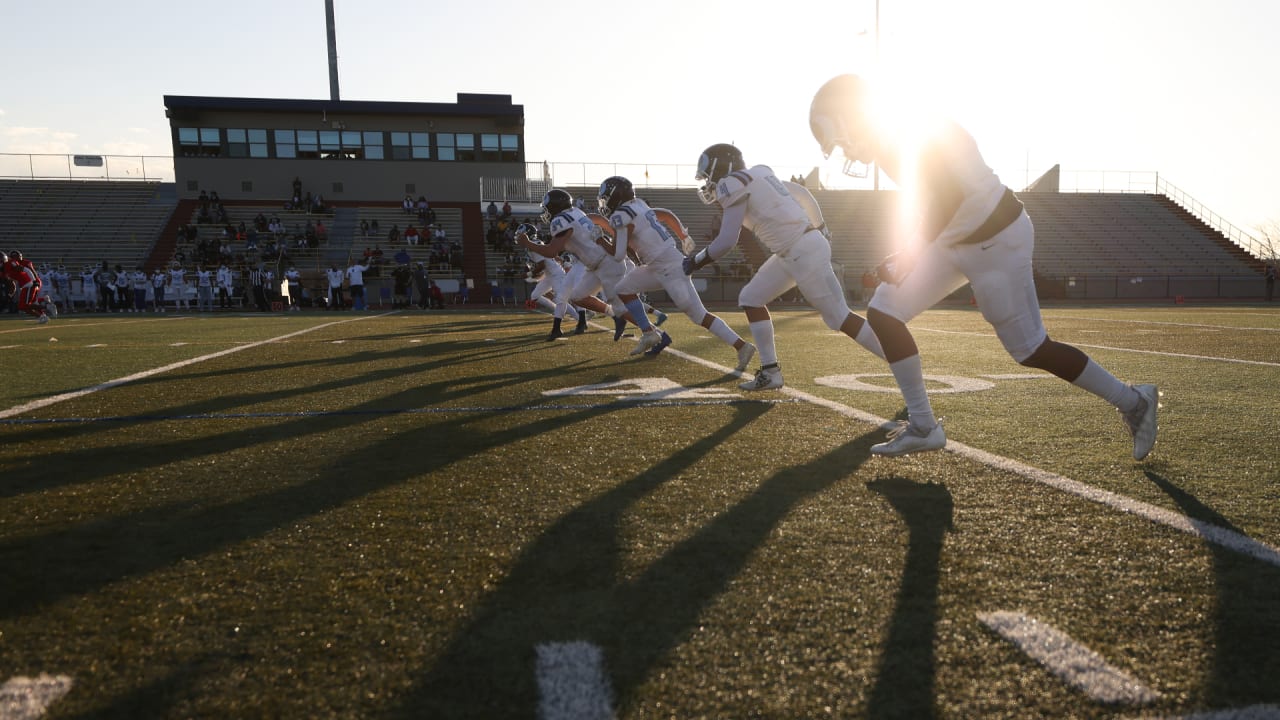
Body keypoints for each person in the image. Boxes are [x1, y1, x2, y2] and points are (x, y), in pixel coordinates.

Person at [807, 73, 1158, 459]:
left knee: (1030, 350)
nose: (848, 153)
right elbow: (934, 203)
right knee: (884, 311)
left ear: (852, 117)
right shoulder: (895, 138)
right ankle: (923, 425)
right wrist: (908, 250)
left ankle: (1132, 400)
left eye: (841, 142)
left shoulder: (911, 129)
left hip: (996, 239)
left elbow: (947, 197)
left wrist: (910, 253)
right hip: (954, 237)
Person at [687, 143, 884, 389]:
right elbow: (802, 193)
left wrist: (695, 261)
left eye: (708, 174)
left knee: (839, 317)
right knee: (751, 297)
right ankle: (771, 372)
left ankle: (897, 357)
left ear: (721, 168)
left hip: (800, 250)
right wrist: (821, 226)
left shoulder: (731, 185)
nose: (708, 181)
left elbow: (726, 241)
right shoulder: (760, 172)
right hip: (794, 249)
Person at [601, 176, 756, 367]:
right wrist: (683, 235)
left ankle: (742, 346)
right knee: (623, 288)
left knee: (699, 316)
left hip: (670, 268)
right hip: (657, 265)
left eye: (606, 197)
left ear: (615, 196)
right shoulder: (639, 205)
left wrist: (599, 241)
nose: (604, 201)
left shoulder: (621, 216)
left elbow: (617, 255)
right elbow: (664, 214)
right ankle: (649, 333)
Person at [514, 188, 647, 343]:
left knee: (621, 308)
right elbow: (592, 222)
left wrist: (527, 243)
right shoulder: (576, 212)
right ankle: (616, 317)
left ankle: (653, 332)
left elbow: (551, 251)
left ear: (554, 207)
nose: (546, 212)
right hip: (595, 265)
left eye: (547, 208)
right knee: (577, 297)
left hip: (606, 263)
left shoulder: (560, 220)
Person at [519, 223, 585, 340]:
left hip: (556, 275)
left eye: (521, 235)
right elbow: (547, 260)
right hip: (549, 275)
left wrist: (528, 274)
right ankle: (557, 310)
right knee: (534, 295)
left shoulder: (532, 246)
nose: (519, 237)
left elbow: (541, 265)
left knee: (562, 299)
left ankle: (579, 319)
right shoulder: (536, 243)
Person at [1, 251, 50, 324]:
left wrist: (34, 281)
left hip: (28, 284)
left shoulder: (10, 263)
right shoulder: (3, 271)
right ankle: (42, 316)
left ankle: (46, 308)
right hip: (24, 286)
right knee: (23, 306)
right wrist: (11, 293)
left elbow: (27, 270)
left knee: (25, 305)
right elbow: (12, 283)